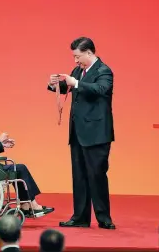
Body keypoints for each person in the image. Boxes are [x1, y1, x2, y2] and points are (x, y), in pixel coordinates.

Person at [47, 36, 115, 229]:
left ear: (89, 53)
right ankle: (80, 217)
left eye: (77, 56)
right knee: (79, 176)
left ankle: (104, 218)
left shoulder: (104, 71)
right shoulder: (78, 71)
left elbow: (100, 89)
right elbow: (68, 86)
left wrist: (75, 83)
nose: (75, 61)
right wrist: (54, 84)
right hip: (77, 132)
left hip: (96, 133)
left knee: (97, 175)